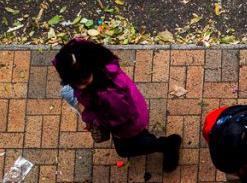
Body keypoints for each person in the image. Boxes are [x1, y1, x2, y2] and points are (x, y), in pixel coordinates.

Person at [52, 39, 182, 172]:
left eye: (83, 80)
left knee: (124, 150)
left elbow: (118, 121)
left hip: (129, 122)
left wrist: (87, 115)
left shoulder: (109, 95)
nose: (80, 85)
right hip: (133, 108)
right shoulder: (86, 56)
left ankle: (167, 144)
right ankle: (150, 139)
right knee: (138, 138)